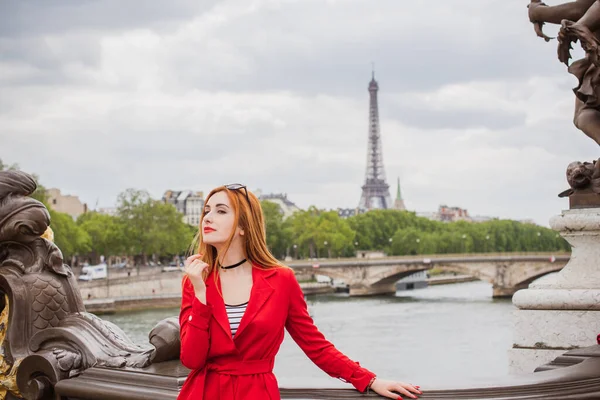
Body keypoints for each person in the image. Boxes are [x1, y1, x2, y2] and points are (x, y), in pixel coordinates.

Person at [178, 184, 422, 400]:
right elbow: (192, 359)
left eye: (220, 211)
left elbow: (315, 345)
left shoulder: (281, 280)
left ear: (243, 226)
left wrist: (369, 380)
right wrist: (200, 293)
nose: (207, 218)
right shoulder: (196, 281)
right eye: (206, 211)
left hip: (256, 393)